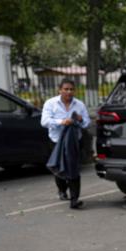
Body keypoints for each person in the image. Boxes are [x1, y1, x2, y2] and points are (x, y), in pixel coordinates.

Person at [41, 79, 90, 209]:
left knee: (74, 169)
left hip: (74, 142)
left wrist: (81, 119)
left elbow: (87, 123)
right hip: (56, 141)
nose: (69, 92)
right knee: (60, 167)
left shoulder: (79, 105)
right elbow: (44, 121)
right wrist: (61, 122)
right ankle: (62, 189)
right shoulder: (51, 103)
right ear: (60, 90)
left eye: (71, 89)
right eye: (66, 89)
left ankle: (74, 199)